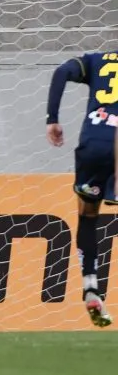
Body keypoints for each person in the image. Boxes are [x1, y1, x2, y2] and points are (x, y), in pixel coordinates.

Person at [46, 51, 116, 328]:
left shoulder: (98, 60)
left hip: (93, 145)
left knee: (87, 215)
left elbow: (61, 71)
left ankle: (90, 285)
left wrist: (52, 118)